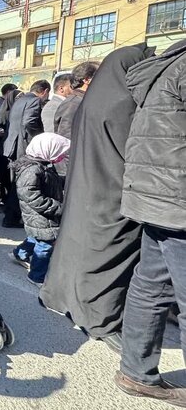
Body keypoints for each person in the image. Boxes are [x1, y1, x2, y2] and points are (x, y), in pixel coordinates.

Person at [39, 44, 155, 354]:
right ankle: (101, 319)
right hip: (110, 193)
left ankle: (69, 302)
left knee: (77, 252)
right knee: (106, 258)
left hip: (84, 187)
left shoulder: (92, 101)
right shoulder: (121, 104)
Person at [113, 39, 186, 406]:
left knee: (151, 286)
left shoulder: (163, 71)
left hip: (156, 195)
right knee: (156, 287)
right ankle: (136, 372)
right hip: (177, 197)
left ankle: (136, 372)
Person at [9, 133, 70, 287]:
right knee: (45, 245)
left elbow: (51, 182)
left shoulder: (43, 165)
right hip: (41, 215)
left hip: (42, 216)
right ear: (46, 150)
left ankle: (20, 254)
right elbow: (31, 195)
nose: (61, 156)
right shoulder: (32, 170)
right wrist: (57, 207)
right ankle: (36, 276)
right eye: (59, 152)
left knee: (36, 237)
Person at [2, 79, 50, 228]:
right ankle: (11, 217)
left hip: (12, 146)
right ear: (45, 91)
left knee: (15, 182)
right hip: (23, 146)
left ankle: (10, 215)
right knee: (23, 182)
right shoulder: (34, 101)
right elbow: (29, 122)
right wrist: (38, 138)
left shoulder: (20, 101)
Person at [54, 61, 99, 139]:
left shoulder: (86, 100)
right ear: (87, 79)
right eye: (101, 76)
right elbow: (66, 138)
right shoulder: (73, 104)